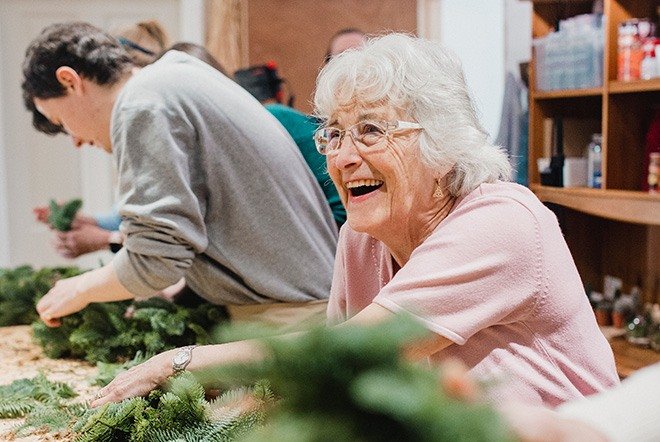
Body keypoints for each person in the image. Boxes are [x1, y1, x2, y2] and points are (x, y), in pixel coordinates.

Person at [91, 33, 618, 410]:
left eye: (370, 131)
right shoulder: (362, 238)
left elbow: (351, 350)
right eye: (334, 134)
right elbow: (334, 379)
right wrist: (219, 421)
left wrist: (178, 363)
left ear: (441, 142)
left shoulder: (503, 223)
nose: (342, 156)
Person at [23, 21, 337, 330]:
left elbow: (156, 261)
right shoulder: (176, 74)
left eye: (61, 120)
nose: (75, 139)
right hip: (306, 307)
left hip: (291, 322)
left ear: (70, 81)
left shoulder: (141, 104)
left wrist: (76, 289)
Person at [33, 20, 171, 259]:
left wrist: (106, 240)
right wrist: (88, 223)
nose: (76, 140)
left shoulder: (153, 122)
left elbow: (167, 242)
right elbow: (128, 217)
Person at [235, 62, 346, 227]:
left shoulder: (271, 116)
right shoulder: (286, 117)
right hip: (339, 221)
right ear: (280, 92)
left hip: (333, 225)